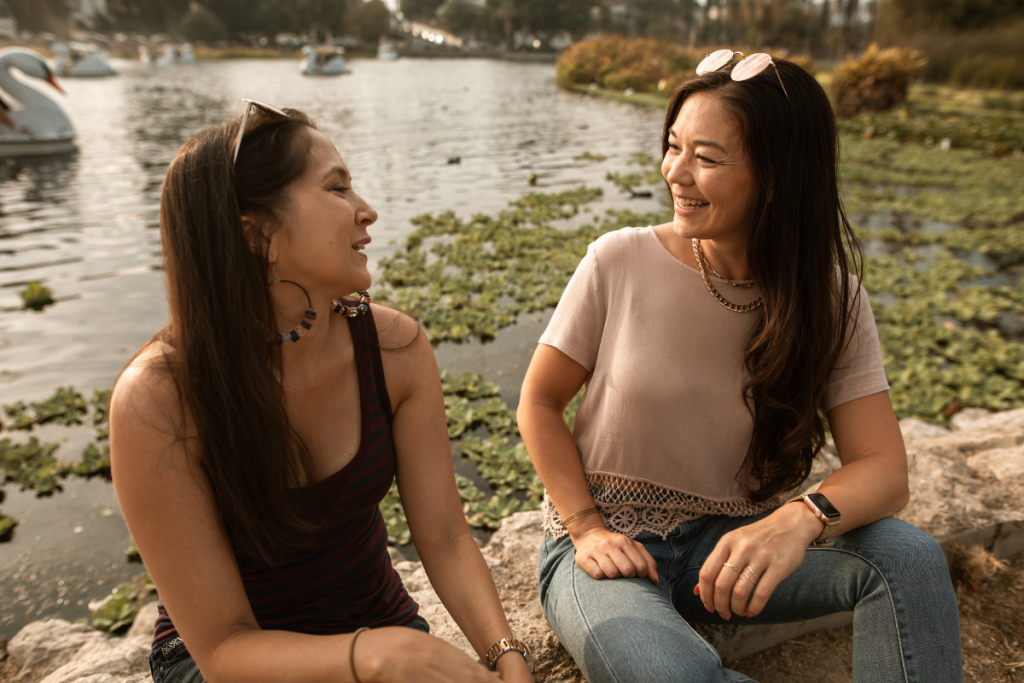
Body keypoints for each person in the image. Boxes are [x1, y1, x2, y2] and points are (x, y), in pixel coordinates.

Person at [517, 53, 962, 683]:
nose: (675, 172)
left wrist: (798, 520)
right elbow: (538, 403)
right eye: (673, 147)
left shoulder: (831, 299)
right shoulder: (617, 259)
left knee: (908, 558)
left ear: (777, 176)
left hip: (734, 549)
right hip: (605, 549)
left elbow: (886, 470)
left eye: (707, 157)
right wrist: (585, 528)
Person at [110, 101, 535, 683]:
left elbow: (445, 536)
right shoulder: (158, 401)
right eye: (337, 190)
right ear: (256, 235)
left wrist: (507, 655)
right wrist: (380, 657)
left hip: (377, 626)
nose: (368, 212)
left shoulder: (393, 349)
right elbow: (224, 648)